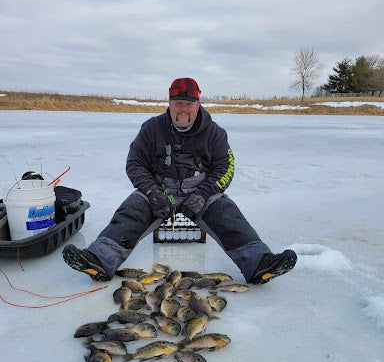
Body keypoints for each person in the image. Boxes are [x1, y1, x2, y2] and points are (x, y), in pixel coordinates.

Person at [63, 78, 297, 284]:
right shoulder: (152, 128)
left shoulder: (215, 133)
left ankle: (259, 265)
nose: (183, 109)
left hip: (200, 191)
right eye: (178, 103)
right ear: (169, 103)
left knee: (228, 215)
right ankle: (99, 261)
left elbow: (225, 167)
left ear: (198, 103)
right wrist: (152, 191)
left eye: (188, 104)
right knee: (130, 212)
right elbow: (135, 163)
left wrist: (203, 194)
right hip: (160, 189)